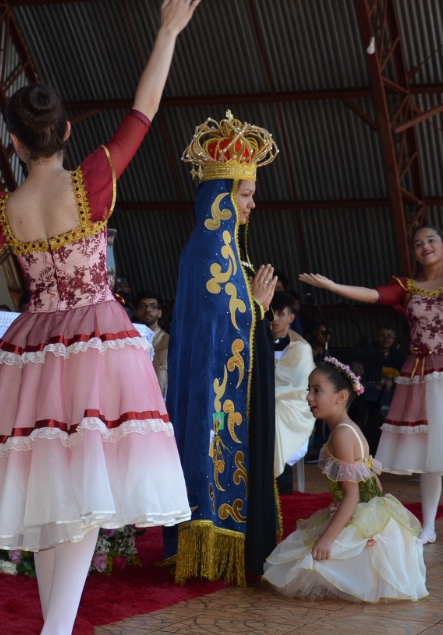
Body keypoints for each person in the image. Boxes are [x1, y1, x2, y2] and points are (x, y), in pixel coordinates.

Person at [0, 3, 199, 634]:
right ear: (70, 130)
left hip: (31, 345)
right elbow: (144, 112)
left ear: (15, 141)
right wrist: (166, 32)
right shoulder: (93, 179)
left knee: (53, 496)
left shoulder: (2, 209)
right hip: (96, 339)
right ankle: (56, 628)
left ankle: (55, 627)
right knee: (76, 499)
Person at [299, 144, 443, 546]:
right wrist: (332, 286)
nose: (426, 246)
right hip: (424, 373)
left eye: (432, 240)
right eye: (418, 243)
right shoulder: (407, 287)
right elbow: (371, 294)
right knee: (431, 450)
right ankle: (430, 524)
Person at [164, 110, 280, 585]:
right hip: (214, 393)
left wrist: (256, 310)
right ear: (222, 198)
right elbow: (219, 323)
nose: (252, 205)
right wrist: (255, 308)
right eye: (246, 195)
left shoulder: (227, 250)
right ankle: (210, 547)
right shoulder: (211, 251)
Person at [263, 359, 427, 602]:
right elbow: (375, 484)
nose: (309, 397)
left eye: (317, 390)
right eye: (309, 389)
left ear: (340, 396)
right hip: (371, 512)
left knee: (308, 560)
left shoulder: (341, 434)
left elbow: (353, 495)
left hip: (360, 513)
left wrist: (328, 538)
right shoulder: (351, 428)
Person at [270, 291, 316, 495]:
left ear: (291, 317)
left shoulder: (301, 348)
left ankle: (282, 484)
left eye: (281, 314)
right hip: (255, 402)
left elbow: (299, 389)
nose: (275, 319)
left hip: (291, 407)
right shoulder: (250, 343)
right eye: (271, 313)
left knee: (277, 414)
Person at [134, 291, 169, 396]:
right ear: (135, 312)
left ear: (159, 312)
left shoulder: (169, 341)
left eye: (153, 307)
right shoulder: (128, 341)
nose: (148, 310)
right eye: (142, 307)